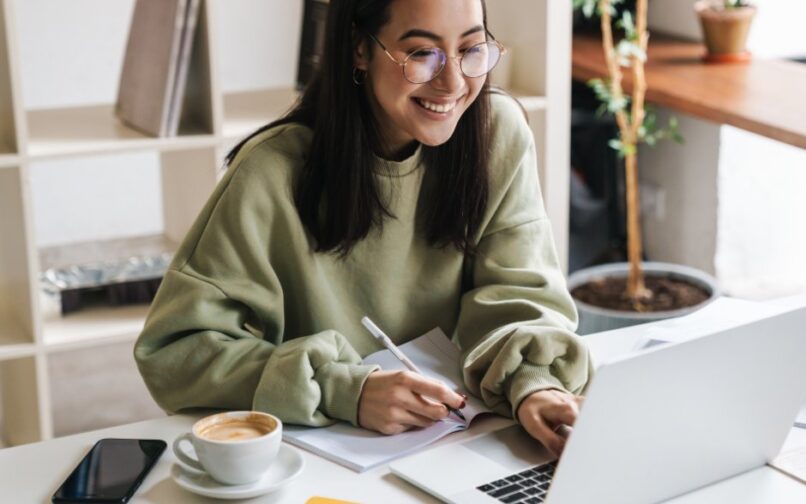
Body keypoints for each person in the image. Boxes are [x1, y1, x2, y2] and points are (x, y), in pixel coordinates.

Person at [134, 0, 592, 457]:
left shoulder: (498, 133)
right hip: (323, 461)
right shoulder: (272, 171)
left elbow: (521, 295)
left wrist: (534, 385)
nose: (453, 82)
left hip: (464, 440)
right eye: (421, 54)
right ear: (359, 49)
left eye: (471, 48)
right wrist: (343, 389)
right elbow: (175, 353)